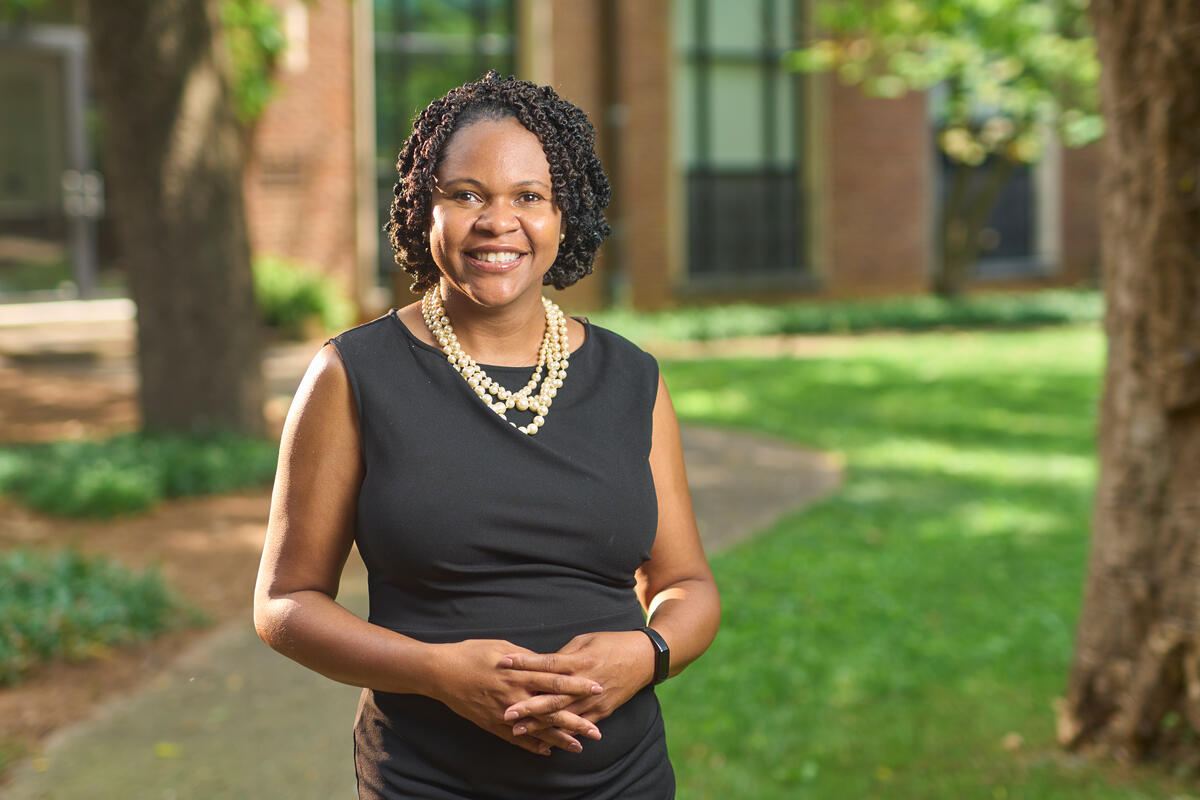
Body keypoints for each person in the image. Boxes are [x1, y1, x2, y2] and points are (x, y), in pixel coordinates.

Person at [253, 70, 721, 800]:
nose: (497, 221)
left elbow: (686, 583)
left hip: (621, 778)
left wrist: (647, 652)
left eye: (529, 197)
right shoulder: (354, 373)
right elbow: (285, 604)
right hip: (430, 776)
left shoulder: (632, 378)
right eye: (466, 194)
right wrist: (439, 674)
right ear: (422, 210)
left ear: (565, 216)